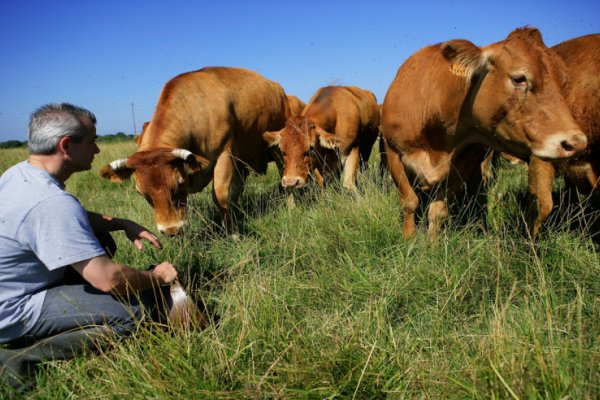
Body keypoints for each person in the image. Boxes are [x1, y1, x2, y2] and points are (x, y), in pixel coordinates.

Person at [0, 103, 179, 391]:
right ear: (66, 145)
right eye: (93, 141)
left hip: (12, 286)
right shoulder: (50, 201)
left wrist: (121, 223)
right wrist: (156, 278)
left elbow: (72, 220)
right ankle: (18, 359)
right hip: (12, 310)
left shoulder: (21, 174)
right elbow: (109, 279)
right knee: (134, 313)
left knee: (102, 239)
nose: (97, 150)